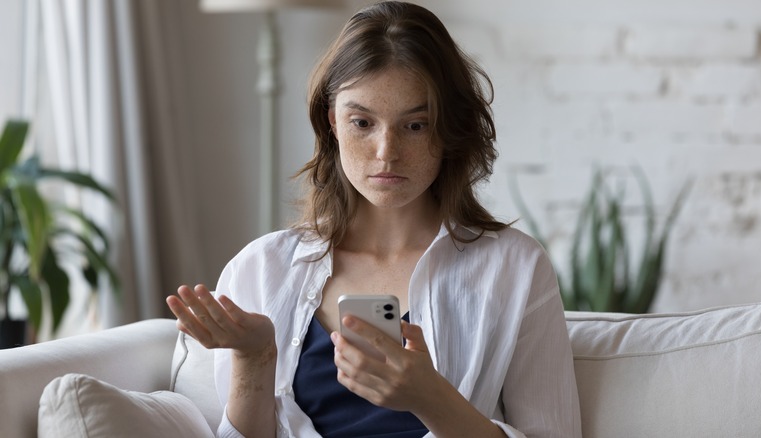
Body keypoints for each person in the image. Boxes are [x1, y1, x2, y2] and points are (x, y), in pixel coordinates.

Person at [166, 2, 582, 437]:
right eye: (362, 122)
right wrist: (255, 358)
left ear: (448, 129)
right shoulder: (260, 270)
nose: (386, 151)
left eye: (416, 125)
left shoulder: (513, 269)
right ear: (332, 123)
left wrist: (430, 398)